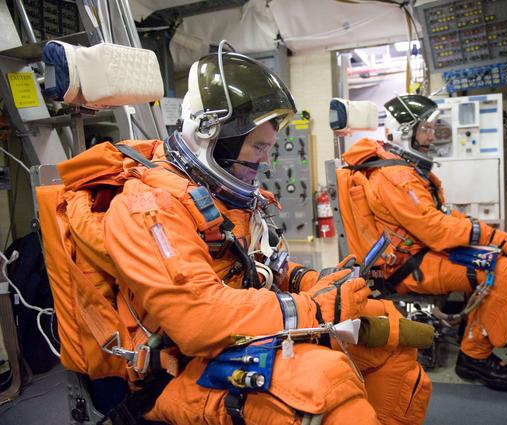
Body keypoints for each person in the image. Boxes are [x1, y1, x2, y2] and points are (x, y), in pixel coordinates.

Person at [41, 49, 431, 425]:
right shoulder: (148, 209)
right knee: (325, 384)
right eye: (258, 146)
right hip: (176, 369)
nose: (266, 159)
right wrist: (314, 308)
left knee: (391, 336)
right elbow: (198, 318)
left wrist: (313, 281)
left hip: (235, 337)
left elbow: (259, 267)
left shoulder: (220, 197)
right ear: (212, 134)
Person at [337, 94, 507, 390]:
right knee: (504, 271)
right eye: (425, 129)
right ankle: (474, 357)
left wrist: (480, 231)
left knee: (489, 254)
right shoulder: (395, 176)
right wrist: (494, 236)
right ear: (404, 132)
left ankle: (475, 331)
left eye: (431, 129)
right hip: (407, 268)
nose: (431, 136)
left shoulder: (400, 169)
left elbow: (438, 217)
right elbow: (435, 229)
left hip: (419, 254)